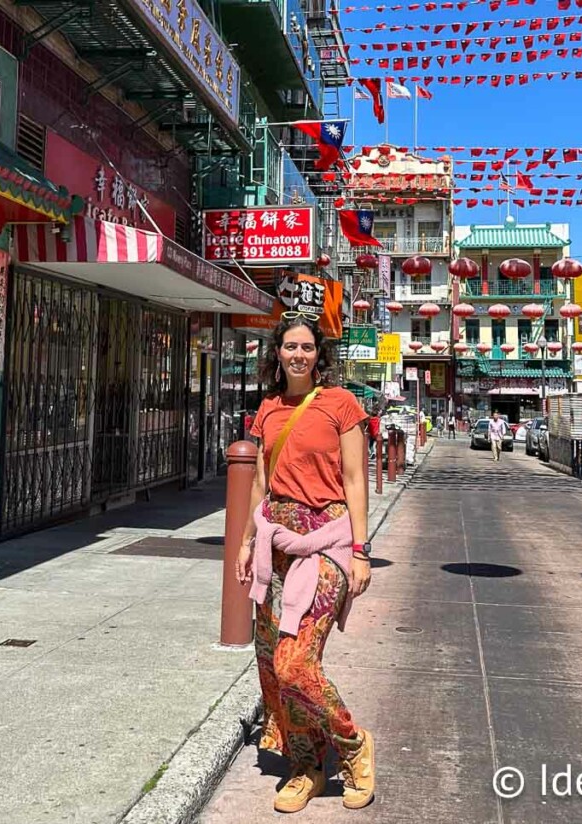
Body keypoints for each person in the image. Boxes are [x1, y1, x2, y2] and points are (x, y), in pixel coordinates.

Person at [236, 315, 376, 814]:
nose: (298, 355)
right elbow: (259, 483)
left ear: (320, 355)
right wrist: (248, 541)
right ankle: (307, 766)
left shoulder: (342, 405)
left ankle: (353, 743)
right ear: (277, 354)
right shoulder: (268, 409)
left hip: (326, 544)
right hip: (275, 544)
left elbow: (357, 481)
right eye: (290, 347)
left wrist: (361, 552)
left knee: (296, 663)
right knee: (272, 665)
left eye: (307, 348)